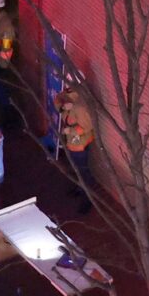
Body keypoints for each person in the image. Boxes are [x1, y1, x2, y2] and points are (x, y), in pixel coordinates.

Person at [55, 74, 96, 214]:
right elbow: (58, 99)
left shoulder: (81, 106)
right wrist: (62, 107)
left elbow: (87, 127)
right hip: (72, 142)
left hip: (80, 144)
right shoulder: (68, 95)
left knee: (83, 171)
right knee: (77, 168)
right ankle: (79, 188)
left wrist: (70, 131)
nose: (65, 88)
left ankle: (87, 200)